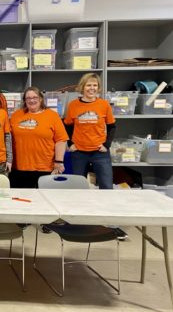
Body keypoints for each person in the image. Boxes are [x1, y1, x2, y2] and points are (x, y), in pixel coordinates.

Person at [64, 73, 127, 240]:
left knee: (106, 187)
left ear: (98, 88)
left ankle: (111, 224)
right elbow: (67, 126)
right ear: (82, 87)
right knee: (77, 187)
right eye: (88, 85)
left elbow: (112, 127)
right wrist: (71, 144)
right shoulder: (73, 105)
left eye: (94, 86)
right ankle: (77, 221)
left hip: (99, 153)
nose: (91, 88)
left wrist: (106, 145)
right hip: (79, 153)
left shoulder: (103, 105)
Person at [9, 87, 68, 188]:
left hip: (44, 167)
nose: (32, 100)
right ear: (24, 100)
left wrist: (59, 161)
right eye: (28, 98)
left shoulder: (52, 116)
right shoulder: (16, 115)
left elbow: (61, 140)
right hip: (19, 167)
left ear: (41, 99)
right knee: (20, 200)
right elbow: (8, 138)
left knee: (43, 200)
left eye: (35, 97)